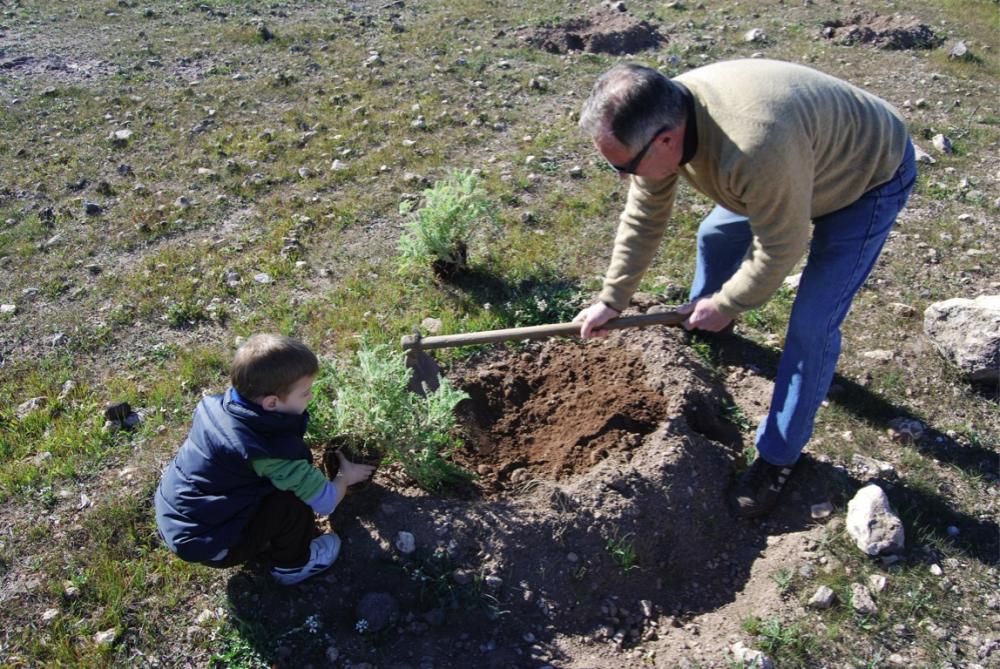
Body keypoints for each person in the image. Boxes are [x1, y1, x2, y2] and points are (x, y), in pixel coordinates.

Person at [574, 59, 916, 518]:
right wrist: (612, 299)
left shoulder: (753, 145)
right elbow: (643, 218)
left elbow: (781, 245)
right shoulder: (667, 120)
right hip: (791, 167)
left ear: (666, 140)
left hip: (863, 176)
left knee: (812, 328)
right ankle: (706, 323)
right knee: (716, 236)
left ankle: (778, 457)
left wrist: (730, 302)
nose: (624, 177)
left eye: (625, 166)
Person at [154, 334, 375, 584]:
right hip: (209, 542)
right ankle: (293, 566)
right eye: (305, 393)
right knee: (291, 500)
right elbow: (325, 502)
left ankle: (258, 537)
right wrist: (346, 476)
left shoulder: (219, 407)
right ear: (271, 402)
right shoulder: (269, 453)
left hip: (180, 515)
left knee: (275, 487)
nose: (311, 397)